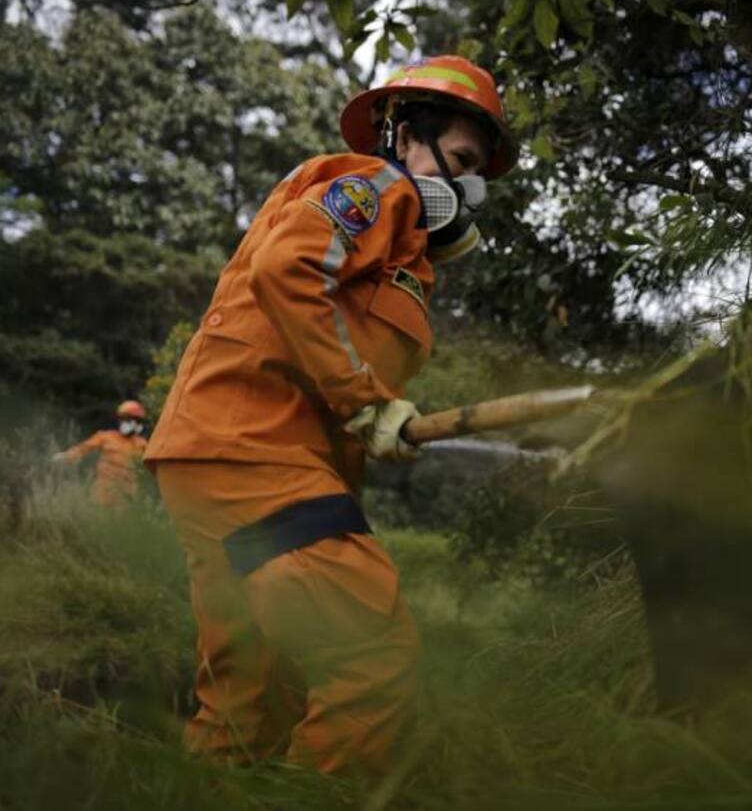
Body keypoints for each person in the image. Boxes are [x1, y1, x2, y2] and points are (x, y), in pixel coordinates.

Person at [143, 55, 518, 775]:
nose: (469, 187)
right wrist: (370, 403)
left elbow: (331, 346)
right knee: (373, 659)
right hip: (254, 454)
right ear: (404, 134)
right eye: (463, 160)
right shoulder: (377, 188)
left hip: (218, 460)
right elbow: (287, 272)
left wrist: (375, 418)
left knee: (252, 697)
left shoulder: (400, 249)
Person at [54, 399, 149, 508]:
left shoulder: (142, 444)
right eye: (124, 419)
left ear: (138, 423)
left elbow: (150, 466)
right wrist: (65, 457)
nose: (126, 423)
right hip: (103, 493)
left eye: (131, 420)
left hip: (127, 497)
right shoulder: (105, 436)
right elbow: (83, 449)